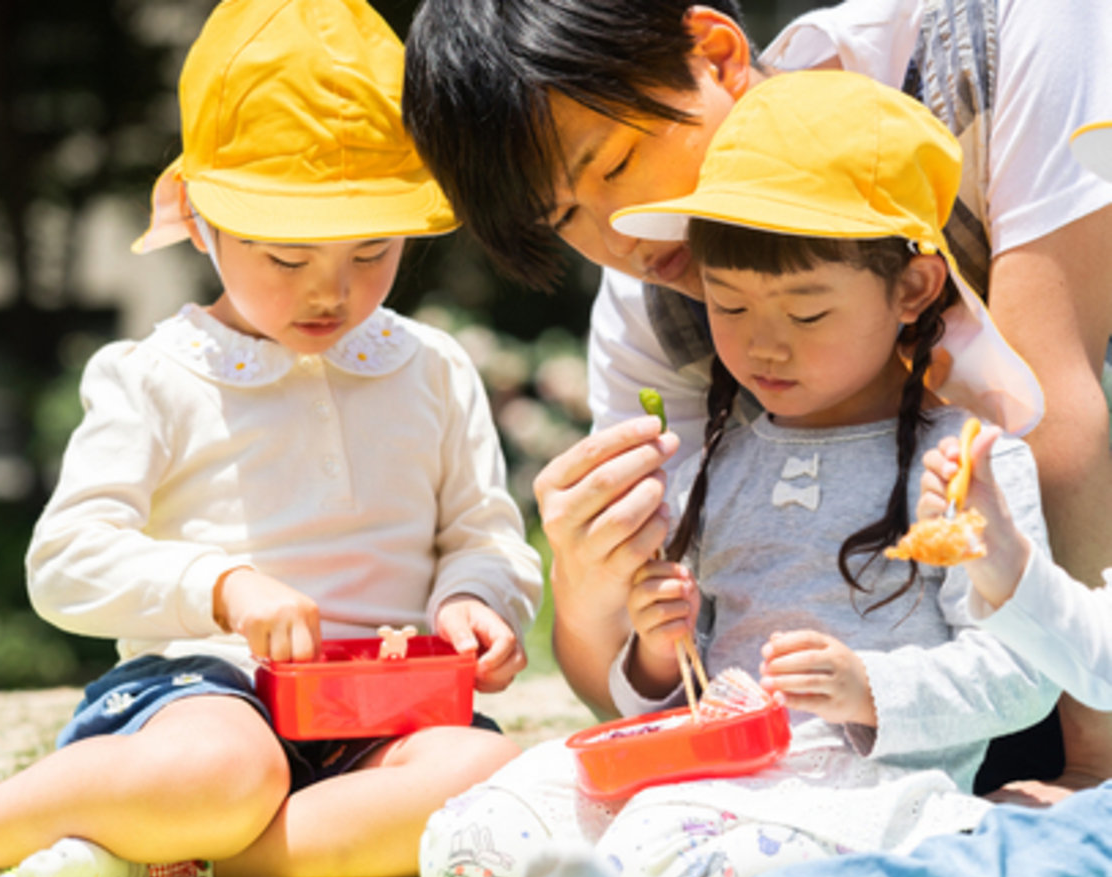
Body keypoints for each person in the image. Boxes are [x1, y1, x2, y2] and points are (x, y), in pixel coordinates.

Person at [0, 0, 542, 877]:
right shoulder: (154, 376)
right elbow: (64, 562)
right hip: (202, 694)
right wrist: (219, 588)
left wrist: (478, 599)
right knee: (229, 776)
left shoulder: (430, 368)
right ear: (199, 218)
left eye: (372, 250)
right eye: (286, 258)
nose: (334, 291)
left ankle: (161, 853)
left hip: (385, 705)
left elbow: (483, 531)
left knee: (491, 771)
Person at [402, 0, 1112, 800]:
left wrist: (1089, 774)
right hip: (837, 753)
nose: (620, 240)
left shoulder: (1007, 36)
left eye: (615, 165)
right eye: (564, 215)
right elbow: (633, 687)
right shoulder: (648, 304)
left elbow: (1048, 405)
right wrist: (591, 576)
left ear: (715, 54)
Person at [615, 393, 1112, 877]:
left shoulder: (962, 457)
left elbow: (1024, 674)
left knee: (706, 875)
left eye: (809, 315)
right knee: (566, 820)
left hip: (877, 799)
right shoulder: (711, 468)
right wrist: (659, 649)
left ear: (911, 305)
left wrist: (868, 690)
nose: (765, 340)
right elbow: (682, 696)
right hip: (714, 789)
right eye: (731, 308)